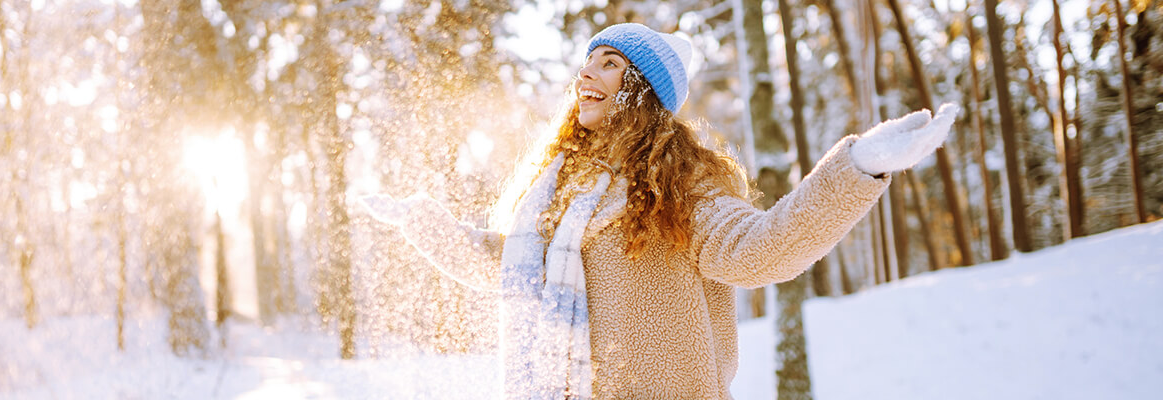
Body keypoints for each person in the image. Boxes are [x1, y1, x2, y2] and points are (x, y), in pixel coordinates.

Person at [362, 23, 959, 399]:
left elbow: (759, 251)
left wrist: (856, 169)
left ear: (640, 89)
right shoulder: (564, 187)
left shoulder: (682, 184)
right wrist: (423, 222)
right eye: (588, 60)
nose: (585, 74)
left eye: (608, 64)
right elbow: (512, 268)